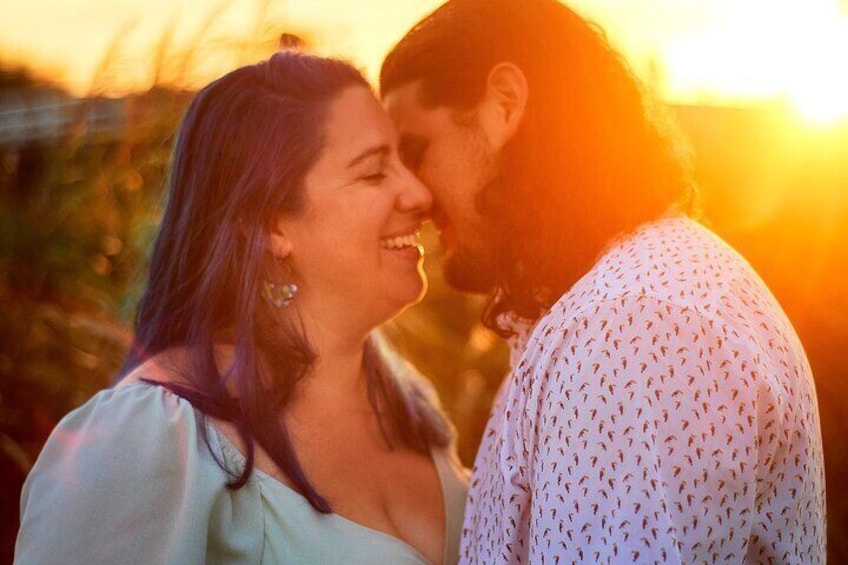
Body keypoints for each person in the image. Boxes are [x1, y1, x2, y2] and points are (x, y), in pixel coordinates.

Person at [380, 0, 826, 563]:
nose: (413, 197)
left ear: (505, 104)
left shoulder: (631, 326)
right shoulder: (627, 297)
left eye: (416, 151)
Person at [16, 51, 467, 564]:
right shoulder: (154, 440)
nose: (419, 192)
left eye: (404, 164)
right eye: (373, 173)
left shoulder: (407, 400)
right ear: (272, 226)